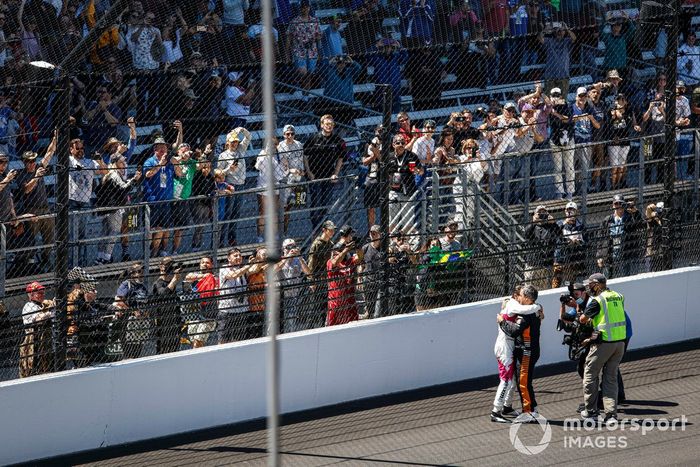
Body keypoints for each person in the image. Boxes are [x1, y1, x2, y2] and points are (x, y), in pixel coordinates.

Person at [579, 273, 628, 423]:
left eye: (591, 285)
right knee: (611, 378)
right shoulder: (619, 296)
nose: (589, 288)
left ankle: (591, 412)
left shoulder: (598, 300)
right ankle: (611, 415)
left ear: (598, 285)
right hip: (620, 343)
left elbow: (583, 319)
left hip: (604, 343)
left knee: (590, 375)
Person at [491, 284, 543, 423]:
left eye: (520, 295)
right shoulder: (518, 306)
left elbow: (514, 330)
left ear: (526, 298)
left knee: (521, 382)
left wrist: (502, 322)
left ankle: (528, 411)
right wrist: (539, 306)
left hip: (525, 351)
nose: (518, 297)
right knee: (511, 380)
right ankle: (502, 409)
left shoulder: (526, 312)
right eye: (517, 294)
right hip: (509, 348)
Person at [13, 129, 56, 268]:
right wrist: (37, 176)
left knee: (49, 237)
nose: (32, 163)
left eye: (33, 160)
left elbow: (49, 153)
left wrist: (55, 138)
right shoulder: (21, 174)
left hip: (45, 207)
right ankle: (29, 263)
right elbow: (26, 189)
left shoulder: (39, 166)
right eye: (29, 161)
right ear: (24, 162)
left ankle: (46, 258)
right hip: (31, 210)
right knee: (31, 238)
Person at [95, 153, 141, 264]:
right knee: (113, 232)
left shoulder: (110, 174)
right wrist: (134, 179)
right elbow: (123, 189)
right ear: (115, 163)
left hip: (107, 208)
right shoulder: (114, 174)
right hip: (114, 208)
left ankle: (100, 256)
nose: (124, 163)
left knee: (105, 232)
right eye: (121, 162)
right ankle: (106, 258)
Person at [68, 138, 107, 264]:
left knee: (82, 234)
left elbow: (104, 172)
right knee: (70, 234)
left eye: (82, 148)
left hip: (85, 200)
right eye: (77, 148)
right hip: (72, 200)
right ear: (71, 149)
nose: (80, 151)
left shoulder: (90, 162)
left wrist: (99, 159)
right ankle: (70, 261)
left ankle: (81, 260)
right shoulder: (68, 160)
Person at [304, 114, 346, 229]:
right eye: (327, 124)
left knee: (325, 204)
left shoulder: (337, 140)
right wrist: (309, 173)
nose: (329, 126)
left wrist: (336, 173)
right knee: (315, 204)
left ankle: (323, 229)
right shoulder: (313, 139)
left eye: (332, 124)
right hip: (314, 177)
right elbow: (305, 157)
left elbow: (340, 158)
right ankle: (315, 229)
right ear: (322, 125)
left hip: (328, 177)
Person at [143, 136, 181, 257]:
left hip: (167, 200)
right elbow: (148, 174)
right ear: (155, 150)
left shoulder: (170, 162)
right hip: (154, 200)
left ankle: (163, 250)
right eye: (161, 149)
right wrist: (160, 164)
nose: (164, 151)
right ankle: (152, 253)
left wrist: (176, 164)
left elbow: (180, 174)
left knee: (166, 228)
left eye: (165, 149)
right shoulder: (150, 161)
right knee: (155, 229)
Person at [217, 127, 251, 246]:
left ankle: (232, 238)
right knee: (228, 214)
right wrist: (228, 169)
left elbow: (248, 137)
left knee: (236, 213)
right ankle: (221, 240)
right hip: (230, 185)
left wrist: (242, 129)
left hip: (241, 185)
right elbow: (219, 174)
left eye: (236, 141)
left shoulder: (240, 150)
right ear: (227, 143)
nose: (235, 144)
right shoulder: (223, 155)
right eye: (232, 142)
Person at [19, 281, 55, 378]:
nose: (42, 295)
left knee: (47, 365)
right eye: (39, 293)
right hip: (34, 340)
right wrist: (50, 313)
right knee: (33, 368)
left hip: (44, 340)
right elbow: (38, 319)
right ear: (31, 294)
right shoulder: (29, 305)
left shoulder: (41, 305)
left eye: (43, 292)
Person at [388, 134, 423, 230]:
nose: (401, 144)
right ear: (393, 144)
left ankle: (406, 242)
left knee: (407, 220)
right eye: (398, 143)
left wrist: (416, 170)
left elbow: (421, 171)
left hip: (408, 190)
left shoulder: (412, 156)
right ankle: (392, 241)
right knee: (392, 219)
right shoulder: (389, 156)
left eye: (403, 142)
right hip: (393, 191)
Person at [305, 220, 336, 329]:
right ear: (324, 230)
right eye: (330, 230)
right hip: (318, 280)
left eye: (333, 230)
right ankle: (312, 327)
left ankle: (324, 325)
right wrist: (311, 280)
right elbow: (311, 263)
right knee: (316, 306)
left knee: (326, 305)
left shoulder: (330, 244)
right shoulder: (317, 244)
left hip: (326, 279)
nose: (332, 232)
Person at [184, 257, 219, 348]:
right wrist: (205, 276)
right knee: (193, 340)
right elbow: (188, 277)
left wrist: (209, 277)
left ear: (212, 265)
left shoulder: (215, 278)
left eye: (207, 262)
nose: (204, 264)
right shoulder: (195, 276)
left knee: (198, 340)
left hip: (209, 314)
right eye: (202, 262)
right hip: (194, 314)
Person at [326, 238, 363, 326]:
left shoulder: (349, 262)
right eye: (334, 252)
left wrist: (358, 247)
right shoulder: (330, 262)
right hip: (336, 304)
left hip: (350, 301)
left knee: (353, 326)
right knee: (333, 328)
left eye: (338, 251)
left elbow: (360, 257)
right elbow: (335, 262)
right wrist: (346, 250)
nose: (335, 254)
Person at [218, 247, 251, 343]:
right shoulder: (224, 268)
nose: (239, 257)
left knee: (238, 340)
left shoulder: (244, 269)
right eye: (235, 255)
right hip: (227, 310)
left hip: (241, 310)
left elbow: (253, 270)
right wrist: (248, 265)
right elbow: (233, 275)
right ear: (229, 258)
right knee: (223, 340)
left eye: (240, 255)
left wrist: (256, 261)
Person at [524, 205, 562, 290]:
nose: (542, 214)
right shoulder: (531, 226)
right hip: (533, 264)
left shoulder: (551, 227)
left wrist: (554, 223)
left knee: (545, 289)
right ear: (534, 214)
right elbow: (526, 235)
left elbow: (560, 235)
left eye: (544, 212)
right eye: (539, 213)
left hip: (546, 263)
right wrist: (534, 222)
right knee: (529, 289)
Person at [608, 94, 641, 190]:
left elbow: (634, 123)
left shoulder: (629, 111)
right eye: (618, 99)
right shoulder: (612, 111)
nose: (620, 101)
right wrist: (616, 114)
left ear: (626, 102)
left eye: (622, 99)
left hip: (625, 139)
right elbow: (609, 124)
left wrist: (636, 127)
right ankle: (613, 186)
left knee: (622, 165)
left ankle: (619, 184)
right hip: (614, 140)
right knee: (615, 166)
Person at [151, 257, 183, 354]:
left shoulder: (170, 282)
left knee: (175, 349)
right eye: (168, 265)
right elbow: (163, 294)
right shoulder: (157, 283)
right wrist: (174, 280)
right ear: (161, 267)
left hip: (174, 322)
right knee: (163, 351)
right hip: (163, 323)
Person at [277, 125, 305, 235]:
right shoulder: (280, 147)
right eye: (287, 134)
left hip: (297, 178)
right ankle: (281, 230)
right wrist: (290, 170)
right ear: (283, 135)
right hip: (285, 179)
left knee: (291, 205)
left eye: (292, 134)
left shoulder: (298, 144)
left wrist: (302, 170)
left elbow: (301, 159)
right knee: (283, 207)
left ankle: (285, 230)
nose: (290, 136)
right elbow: (281, 164)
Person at [278, 238, 311, 333]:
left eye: (294, 246)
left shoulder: (298, 260)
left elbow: (308, 273)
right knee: (277, 323)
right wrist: (287, 257)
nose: (291, 249)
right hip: (280, 296)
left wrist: (300, 257)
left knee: (291, 321)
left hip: (293, 295)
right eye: (288, 247)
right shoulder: (279, 259)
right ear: (283, 249)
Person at [548, 87, 575, 200]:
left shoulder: (567, 105)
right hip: (555, 139)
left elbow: (568, 119)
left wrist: (555, 114)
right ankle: (559, 192)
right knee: (557, 168)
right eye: (553, 95)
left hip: (568, 137)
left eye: (557, 95)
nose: (556, 97)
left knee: (569, 167)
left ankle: (570, 192)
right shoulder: (549, 106)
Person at [554, 201, 587, 287]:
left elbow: (586, 242)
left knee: (569, 283)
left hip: (574, 258)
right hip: (561, 257)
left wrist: (578, 242)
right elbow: (555, 235)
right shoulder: (560, 223)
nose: (569, 212)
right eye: (568, 210)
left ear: (576, 212)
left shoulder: (581, 226)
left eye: (572, 210)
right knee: (556, 281)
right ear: (565, 211)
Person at [360, 224, 383, 319]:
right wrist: (359, 278)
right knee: (369, 308)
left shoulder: (384, 247)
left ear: (380, 235)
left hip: (380, 281)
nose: (372, 235)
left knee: (378, 310)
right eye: (371, 233)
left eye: (375, 233)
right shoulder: (365, 247)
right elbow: (361, 264)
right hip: (368, 280)